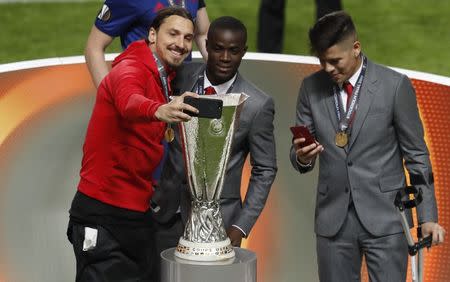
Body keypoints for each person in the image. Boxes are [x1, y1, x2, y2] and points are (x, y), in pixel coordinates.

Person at [289, 11, 445, 282]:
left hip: (387, 218)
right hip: (333, 222)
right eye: (322, 61)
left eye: (335, 61)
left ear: (356, 48)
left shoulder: (394, 86)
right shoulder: (310, 88)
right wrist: (302, 157)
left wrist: (427, 216)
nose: (327, 69)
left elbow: (416, 154)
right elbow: (299, 154)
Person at [66, 7, 200, 281]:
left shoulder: (162, 74)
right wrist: (158, 110)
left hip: (135, 213)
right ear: (152, 34)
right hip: (103, 213)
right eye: (173, 34)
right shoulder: (131, 67)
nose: (181, 43)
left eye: (188, 38)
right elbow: (129, 101)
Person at [152, 16, 277, 256]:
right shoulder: (179, 77)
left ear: (244, 52)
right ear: (206, 45)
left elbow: (265, 169)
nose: (225, 58)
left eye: (234, 51)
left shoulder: (257, 105)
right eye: (218, 49)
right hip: (168, 214)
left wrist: (240, 227)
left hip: (220, 224)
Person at [85, 0, 210, 88]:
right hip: (143, 89)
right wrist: (109, 97)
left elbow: (202, 33)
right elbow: (94, 47)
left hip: (182, 85)